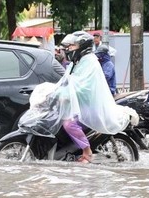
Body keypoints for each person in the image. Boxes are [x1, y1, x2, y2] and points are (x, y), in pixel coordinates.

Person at [56, 31, 134, 163]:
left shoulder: (90, 63)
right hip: (80, 105)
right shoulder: (76, 62)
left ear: (82, 47)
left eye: (72, 46)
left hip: (91, 106)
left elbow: (82, 88)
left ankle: (87, 151)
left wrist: (65, 95)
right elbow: (66, 82)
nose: (68, 49)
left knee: (69, 124)